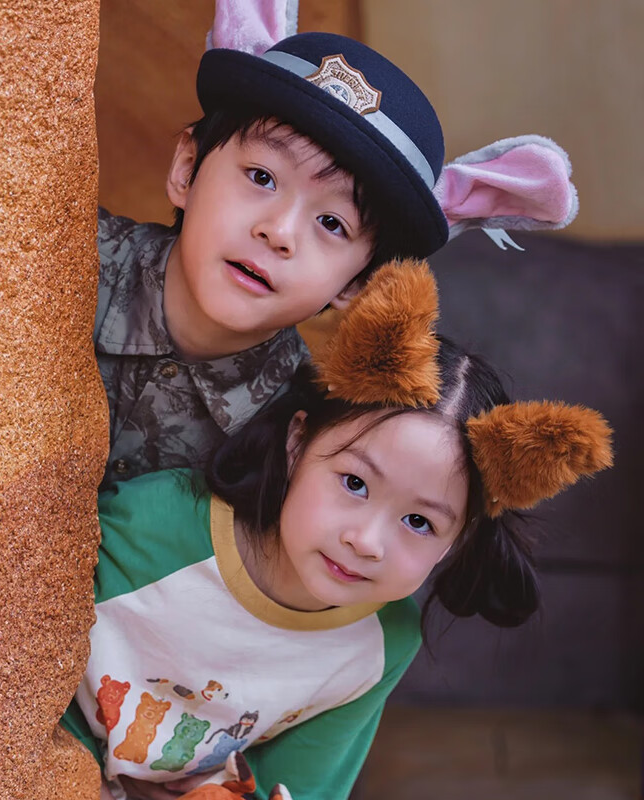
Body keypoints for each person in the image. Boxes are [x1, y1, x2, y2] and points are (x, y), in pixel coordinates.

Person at [64, 261, 612, 799]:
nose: (366, 541)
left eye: (419, 522)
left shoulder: (382, 644)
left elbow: (298, 787)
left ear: (457, 542)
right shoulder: (154, 524)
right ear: (297, 443)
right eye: (354, 483)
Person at [94, 31, 456, 491]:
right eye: (262, 177)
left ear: (357, 284)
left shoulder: (301, 444)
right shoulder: (61, 252)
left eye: (332, 223)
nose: (279, 232)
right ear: (187, 169)